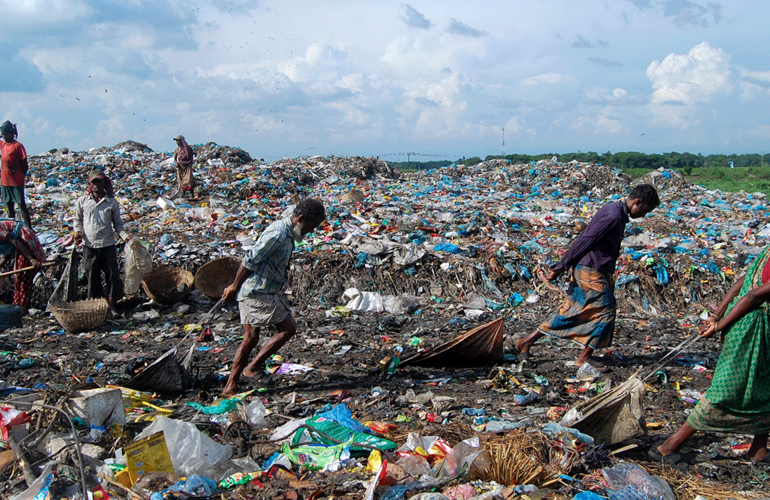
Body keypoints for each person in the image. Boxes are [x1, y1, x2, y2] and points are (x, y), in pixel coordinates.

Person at [514, 184, 660, 367]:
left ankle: (525, 342)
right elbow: (586, 239)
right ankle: (583, 358)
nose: (644, 215)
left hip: (595, 268)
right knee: (606, 311)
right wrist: (561, 265)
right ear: (638, 202)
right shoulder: (614, 216)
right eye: (646, 210)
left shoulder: (615, 211)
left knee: (571, 309)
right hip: (590, 269)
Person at [650, 246, 770, 464]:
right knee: (726, 390)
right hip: (753, 329)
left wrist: (717, 315)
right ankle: (670, 445)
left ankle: (759, 449)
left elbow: (742, 282)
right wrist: (718, 323)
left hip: (743, 324)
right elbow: (753, 295)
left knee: (765, 389)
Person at [221, 198, 326, 397]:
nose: (311, 231)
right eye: (311, 227)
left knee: (255, 337)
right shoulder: (277, 234)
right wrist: (234, 286)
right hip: (255, 293)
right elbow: (250, 260)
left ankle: (241, 376)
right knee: (277, 331)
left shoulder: (287, 233)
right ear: (300, 219)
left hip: (266, 291)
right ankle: (240, 377)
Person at [73, 170, 131, 316]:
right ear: (90, 184)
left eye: (99, 181)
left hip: (107, 245)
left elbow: (118, 224)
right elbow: (77, 220)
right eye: (94, 182)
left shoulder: (111, 203)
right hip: (89, 245)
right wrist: (78, 232)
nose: (97, 185)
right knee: (92, 277)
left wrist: (125, 237)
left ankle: (112, 306)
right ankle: (96, 308)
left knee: (112, 276)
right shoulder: (83, 202)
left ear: (105, 182)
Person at [0, 219, 45, 311]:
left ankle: (23, 307)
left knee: (24, 275)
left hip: (24, 240)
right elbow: (7, 255)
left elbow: (15, 241)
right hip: (18, 243)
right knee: (17, 277)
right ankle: (17, 305)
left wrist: (32, 259)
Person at [0, 121, 32, 228]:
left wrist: (19, 175)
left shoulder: (18, 146)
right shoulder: (3, 145)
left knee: (21, 204)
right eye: (2, 134)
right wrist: (2, 132)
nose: (4, 136)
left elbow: (24, 164)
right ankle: (13, 227)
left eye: (5, 134)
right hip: (5, 180)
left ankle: (28, 227)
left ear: (11, 133)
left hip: (16, 180)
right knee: (9, 205)